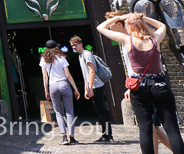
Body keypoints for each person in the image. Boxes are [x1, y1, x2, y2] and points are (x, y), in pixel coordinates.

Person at [97, 13, 184, 154]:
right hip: (159, 84)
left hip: (140, 87)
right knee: (171, 127)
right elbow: (162, 25)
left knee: (145, 128)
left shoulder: (127, 40)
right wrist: (142, 17)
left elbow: (100, 27)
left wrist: (123, 16)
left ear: (129, 27)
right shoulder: (155, 39)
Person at [69, 35, 112, 142]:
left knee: (102, 111)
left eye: (75, 45)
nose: (74, 47)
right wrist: (86, 88)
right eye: (72, 46)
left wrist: (90, 87)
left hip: (97, 85)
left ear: (80, 44)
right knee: (100, 111)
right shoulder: (80, 56)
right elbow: (85, 74)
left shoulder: (87, 54)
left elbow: (92, 71)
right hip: (92, 86)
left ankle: (107, 135)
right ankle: (106, 134)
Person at [40, 39, 80, 145]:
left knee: (58, 112)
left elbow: (45, 77)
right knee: (69, 112)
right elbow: (67, 74)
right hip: (64, 84)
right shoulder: (62, 58)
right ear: (56, 48)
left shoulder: (43, 60)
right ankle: (72, 136)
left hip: (52, 86)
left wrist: (46, 91)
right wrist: (76, 89)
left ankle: (64, 137)